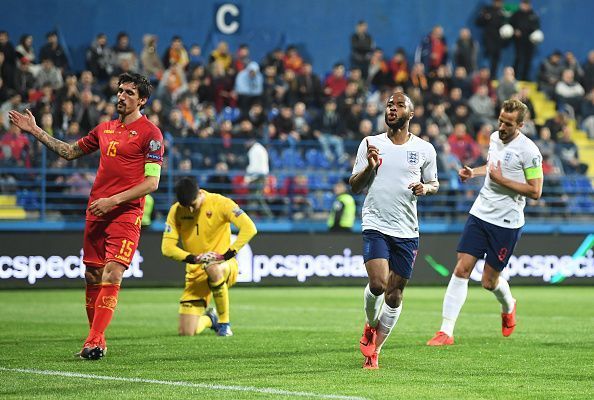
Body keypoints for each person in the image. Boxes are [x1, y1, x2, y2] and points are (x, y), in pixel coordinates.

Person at [8, 72, 163, 360]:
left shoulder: (151, 134)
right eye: (120, 91)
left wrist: (113, 200)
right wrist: (35, 130)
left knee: (113, 271)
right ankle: (97, 341)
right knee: (92, 275)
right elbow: (69, 152)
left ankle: (92, 341)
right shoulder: (104, 129)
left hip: (125, 213)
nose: (121, 96)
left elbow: (151, 183)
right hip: (96, 211)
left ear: (142, 100)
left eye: (129, 93)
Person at [427, 99, 543, 347]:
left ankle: (509, 304)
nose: (501, 126)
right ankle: (445, 331)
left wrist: (503, 182)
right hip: (480, 212)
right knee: (461, 268)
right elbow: (492, 168)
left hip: (507, 222)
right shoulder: (493, 138)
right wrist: (474, 172)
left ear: (521, 125)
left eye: (508, 124)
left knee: (488, 282)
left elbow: (535, 191)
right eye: (500, 120)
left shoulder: (530, 151)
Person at [350, 91, 439, 369]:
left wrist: (425, 188)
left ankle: (375, 350)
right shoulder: (370, 143)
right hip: (376, 224)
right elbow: (354, 185)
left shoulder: (425, 149)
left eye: (399, 105)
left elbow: (434, 184)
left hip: (407, 230)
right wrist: (371, 168)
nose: (392, 108)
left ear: (410, 114)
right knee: (378, 284)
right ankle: (369, 325)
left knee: (395, 294)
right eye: (389, 104)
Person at [161, 177, 257, 337]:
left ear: (200, 193)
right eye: (187, 207)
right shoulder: (176, 210)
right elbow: (167, 248)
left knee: (212, 266)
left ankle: (224, 323)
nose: (190, 210)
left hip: (224, 266)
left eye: (193, 205)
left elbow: (250, 228)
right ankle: (210, 319)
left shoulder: (221, 203)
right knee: (186, 332)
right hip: (195, 273)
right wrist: (194, 258)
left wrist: (226, 255)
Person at [510, 0, 541, 81]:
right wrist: (515, 30)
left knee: (528, 60)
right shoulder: (516, 14)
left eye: (527, 4)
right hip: (519, 41)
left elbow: (536, 27)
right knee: (518, 58)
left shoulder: (533, 15)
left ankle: (524, 78)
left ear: (530, 5)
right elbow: (510, 25)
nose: (525, 6)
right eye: (523, 4)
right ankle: (514, 76)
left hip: (529, 42)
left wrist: (534, 34)